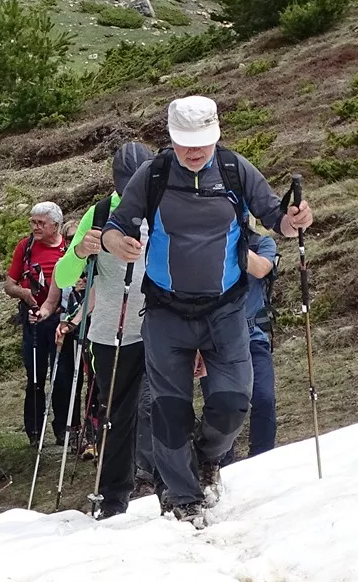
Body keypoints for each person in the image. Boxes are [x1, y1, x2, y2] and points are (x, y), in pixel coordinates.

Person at [101, 96, 313, 520]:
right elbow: (114, 226)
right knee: (168, 408)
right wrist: (116, 243)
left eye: (201, 142)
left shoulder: (235, 169)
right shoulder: (155, 173)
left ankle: (204, 458)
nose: (194, 152)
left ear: (215, 136)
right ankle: (184, 499)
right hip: (165, 311)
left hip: (226, 310)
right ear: (172, 139)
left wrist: (297, 220)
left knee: (235, 400)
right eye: (184, 143)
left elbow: (277, 219)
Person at [44, 142, 152, 517]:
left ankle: (173, 484)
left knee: (163, 406)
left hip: (161, 327)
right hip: (110, 333)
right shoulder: (101, 212)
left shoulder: (168, 203)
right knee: (119, 415)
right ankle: (113, 497)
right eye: (128, 184)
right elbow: (62, 278)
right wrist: (77, 252)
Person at [5, 202, 72, 447]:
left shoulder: (68, 248)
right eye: (32, 222)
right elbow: (9, 284)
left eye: (40, 223)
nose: (35, 227)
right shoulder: (25, 247)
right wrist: (23, 294)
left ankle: (65, 428)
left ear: (55, 225)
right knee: (35, 375)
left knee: (63, 374)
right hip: (33, 318)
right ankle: (34, 431)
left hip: (62, 319)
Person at [218, 233, 280, 465]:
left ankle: (262, 461)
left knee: (264, 398)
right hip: (217, 341)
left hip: (253, 337)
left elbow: (261, 269)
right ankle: (222, 465)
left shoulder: (262, 243)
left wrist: (225, 242)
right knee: (224, 406)